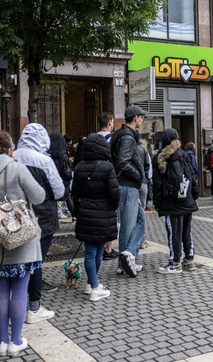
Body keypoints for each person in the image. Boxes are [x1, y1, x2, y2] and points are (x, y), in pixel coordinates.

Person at [0, 131, 45, 356]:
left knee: (1, 288)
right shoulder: (16, 167)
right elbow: (38, 196)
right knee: (20, 289)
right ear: (8, 149)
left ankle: (2, 341)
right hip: (20, 236)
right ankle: (16, 341)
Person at [12, 123, 64, 321]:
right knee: (36, 262)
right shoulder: (44, 160)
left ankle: (17, 305)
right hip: (42, 219)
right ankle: (34, 307)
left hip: (16, 220)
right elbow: (58, 191)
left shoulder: (13, 156)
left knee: (19, 262)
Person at [72, 133, 120, 300]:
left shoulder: (78, 167)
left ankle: (92, 283)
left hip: (86, 212)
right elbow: (114, 194)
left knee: (91, 252)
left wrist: (78, 211)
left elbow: (74, 194)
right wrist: (113, 208)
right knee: (98, 251)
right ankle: (94, 288)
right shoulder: (107, 167)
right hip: (104, 213)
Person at [153, 129, 199, 273]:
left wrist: (158, 204)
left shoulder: (160, 157)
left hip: (170, 201)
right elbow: (192, 176)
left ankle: (175, 262)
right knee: (186, 231)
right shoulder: (184, 154)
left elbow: (157, 184)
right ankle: (189, 261)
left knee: (174, 232)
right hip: (187, 199)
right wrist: (194, 196)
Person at [110, 105, 147, 277]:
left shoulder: (122, 134)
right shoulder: (127, 137)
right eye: (141, 117)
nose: (142, 120)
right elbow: (123, 163)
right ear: (135, 118)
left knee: (140, 222)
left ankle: (126, 259)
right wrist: (138, 176)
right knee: (128, 226)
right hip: (128, 185)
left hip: (126, 185)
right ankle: (127, 257)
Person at [95, 112, 119, 260]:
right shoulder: (112, 139)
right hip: (108, 176)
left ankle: (98, 245)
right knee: (110, 213)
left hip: (93, 177)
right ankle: (108, 249)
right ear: (110, 123)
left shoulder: (92, 138)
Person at [50, 133, 74, 220]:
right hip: (64, 182)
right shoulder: (63, 156)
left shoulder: (48, 157)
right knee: (67, 199)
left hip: (52, 184)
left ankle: (55, 216)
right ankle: (74, 216)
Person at [138, 139, 153, 211]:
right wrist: (148, 176)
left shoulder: (135, 149)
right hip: (143, 179)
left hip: (136, 180)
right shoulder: (144, 151)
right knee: (143, 199)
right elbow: (148, 165)